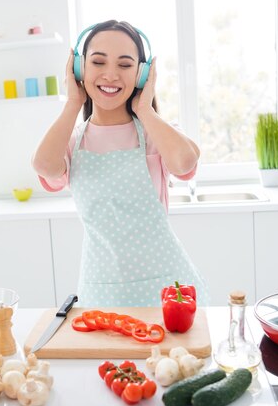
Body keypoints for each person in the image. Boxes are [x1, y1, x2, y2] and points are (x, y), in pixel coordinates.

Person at [32, 20, 207, 307]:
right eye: (98, 62)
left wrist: (144, 108)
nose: (111, 74)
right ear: (79, 69)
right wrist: (72, 103)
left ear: (142, 74)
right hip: (102, 289)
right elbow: (44, 166)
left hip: (166, 288)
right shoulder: (73, 141)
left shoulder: (157, 133)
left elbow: (184, 162)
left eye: (125, 65)